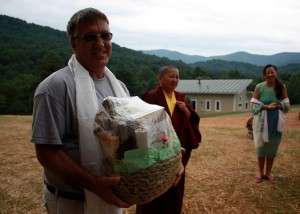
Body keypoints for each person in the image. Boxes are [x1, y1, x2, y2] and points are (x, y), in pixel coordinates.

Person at [31, 8, 132, 214]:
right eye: (90, 37)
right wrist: (94, 184)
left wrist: (162, 154)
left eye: (105, 36)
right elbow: (47, 153)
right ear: (73, 43)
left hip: (112, 198)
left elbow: (128, 137)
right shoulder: (54, 87)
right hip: (72, 202)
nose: (100, 43)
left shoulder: (119, 87)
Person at [136, 65, 202, 214]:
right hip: (157, 153)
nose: (175, 80)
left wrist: (185, 110)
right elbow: (142, 124)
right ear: (160, 78)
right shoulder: (150, 97)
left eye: (177, 77)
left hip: (177, 153)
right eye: (171, 76)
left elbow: (193, 119)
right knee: (153, 189)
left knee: (174, 189)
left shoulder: (180, 98)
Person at [250, 64, 290, 184]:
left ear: (276, 73)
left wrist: (277, 106)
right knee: (261, 146)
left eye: (272, 72)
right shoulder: (259, 87)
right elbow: (252, 106)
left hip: (276, 122)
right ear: (264, 75)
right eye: (267, 72)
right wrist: (266, 106)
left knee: (272, 147)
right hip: (262, 122)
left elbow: (287, 106)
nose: (270, 74)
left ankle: (268, 173)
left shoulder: (281, 87)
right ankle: (260, 172)